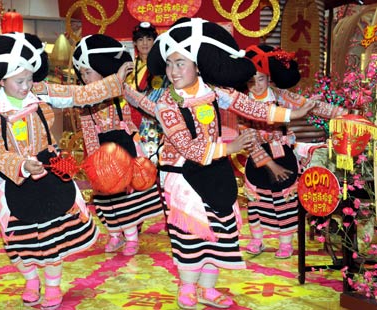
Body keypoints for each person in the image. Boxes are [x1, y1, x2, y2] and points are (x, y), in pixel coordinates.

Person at [123, 18, 314, 309]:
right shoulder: (167, 103)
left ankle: (208, 290)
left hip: (217, 171)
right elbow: (186, 146)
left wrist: (292, 115)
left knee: (220, 233)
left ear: (198, 65)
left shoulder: (215, 92)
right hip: (182, 179)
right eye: (170, 64)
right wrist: (231, 146)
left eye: (181, 64)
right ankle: (187, 288)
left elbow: (251, 106)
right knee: (190, 236)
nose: (173, 72)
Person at [0, 32, 132, 310]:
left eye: (29, 78)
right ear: (2, 80)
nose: (26, 86)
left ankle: (54, 288)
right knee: (16, 243)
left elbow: (81, 94)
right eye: (19, 81)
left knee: (51, 238)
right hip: (14, 180)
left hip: (52, 170)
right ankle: (31, 280)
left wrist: (116, 80)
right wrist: (21, 165)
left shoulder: (42, 91)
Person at [241, 44, 346, 259]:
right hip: (257, 156)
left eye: (260, 79)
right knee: (256, 201)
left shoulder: (281, 96)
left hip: (282, 152)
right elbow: (249, 140)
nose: (256, 85)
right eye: (251, 80)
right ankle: (257, 240)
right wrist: (270, 165)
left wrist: (343, 113)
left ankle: (285, 243)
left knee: (284, 202)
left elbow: (312, 106)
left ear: (269, 78)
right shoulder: (242, 102)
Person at [70, 34, 163, 256]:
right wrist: (95, 163)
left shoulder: (119, 87)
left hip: (124, 148)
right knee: (105, 200)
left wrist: (164, 113)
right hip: (101, 153)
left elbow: (142, 102)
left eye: (88, 71)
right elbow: (89, 132)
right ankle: (114, 235)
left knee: (125, 199)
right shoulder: (84, 101)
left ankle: (131, 238)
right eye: (81, 73)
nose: (84, 77)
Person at [126, 21, 166, 164]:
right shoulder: (129, 67)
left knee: (153, 160)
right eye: (140, 39)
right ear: (135, 43)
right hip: (131, 121)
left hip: (154, 120)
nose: (145, 43)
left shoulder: (163, 67)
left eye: (149, 39)